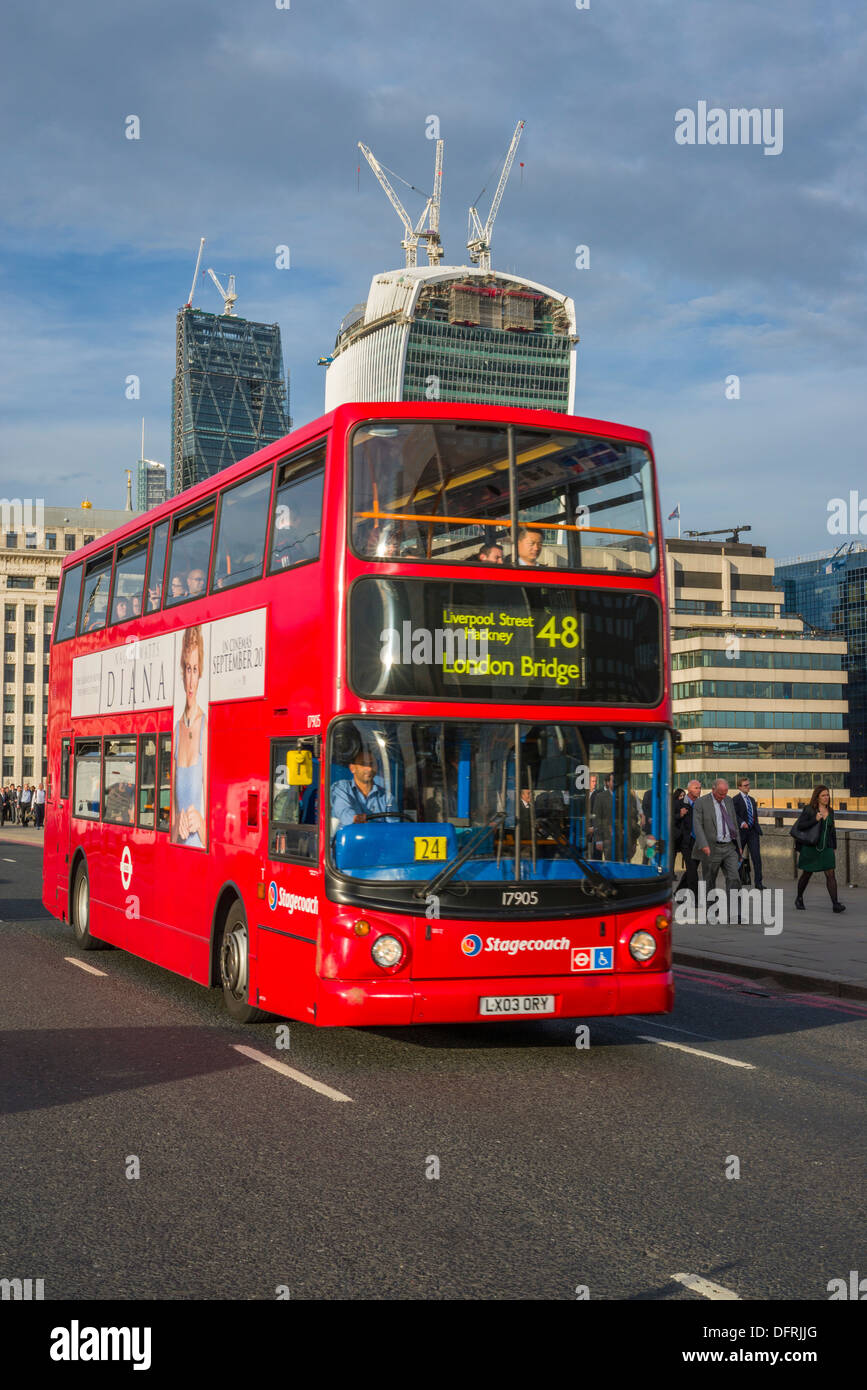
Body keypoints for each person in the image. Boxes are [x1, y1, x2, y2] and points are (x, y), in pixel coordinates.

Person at [172, 626, 207, 847]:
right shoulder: (175, 730)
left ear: (200, 672)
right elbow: (172, 825)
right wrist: (178, 824)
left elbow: (215, 829)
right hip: (178, 851)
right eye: (187, 668)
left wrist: (200, 822)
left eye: (195, 669)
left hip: (199, 850)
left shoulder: (206, 727)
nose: (191, 679)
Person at [792, 785, 844, 912]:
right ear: (817, 797)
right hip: (811, 847)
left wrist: (834, 847)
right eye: (823, 795)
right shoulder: (809, 810)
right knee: (807, 874)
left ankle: (835, 904)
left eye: (827, 795)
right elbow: (801, 826)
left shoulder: (830, 811)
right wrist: (815, 819)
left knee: (831, 874)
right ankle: (799, 898)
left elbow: (832, 830)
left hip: (826, 847)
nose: (826, 797)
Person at [691, 778, 743, 897]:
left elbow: (734, 824)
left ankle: (735, 913)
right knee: (709, 881)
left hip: (729, 847)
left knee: (734, 879)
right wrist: (703, 844)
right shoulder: (701, 802)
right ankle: (711, 910)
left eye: (725, 793)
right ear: (713, 789)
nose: (723, 796)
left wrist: (739, 846)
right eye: (720, 793)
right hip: (711, 848)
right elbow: (697, 825)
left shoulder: (729, 801)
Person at [331, 749, 399, 829]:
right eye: (363, 764)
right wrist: (356, 819)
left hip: (377, 840)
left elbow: (393, 827)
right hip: (348, 840)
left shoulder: (387, 797)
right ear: (352, 768)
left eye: (372, 764)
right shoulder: (341, 787)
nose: (369, 768)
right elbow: (343, 812)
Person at [732, 776, 763, 889]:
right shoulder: (735, 800)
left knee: (756, 857)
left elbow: (754, 815)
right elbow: (734, 815)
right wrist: (742, 823)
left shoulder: (752, 800)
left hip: (753, 831)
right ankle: (737, 882)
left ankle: (759, 883)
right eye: (745, 785)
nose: (748, 787)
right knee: (738, 857)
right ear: (739, 787)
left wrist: (756, 826)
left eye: (748, 785)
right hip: (741, 832)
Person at [676, 779, 702, 893]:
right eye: (696, 788)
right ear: (689, 790)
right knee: (692, 871)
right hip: (685, 842)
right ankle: (695, 898)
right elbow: (671, 819)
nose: (699, 790)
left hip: (698, 841)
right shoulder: (679, 803)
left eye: (700, 788)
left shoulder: (701, 804)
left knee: (692, 869)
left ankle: (678, 892)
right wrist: (680, 815)